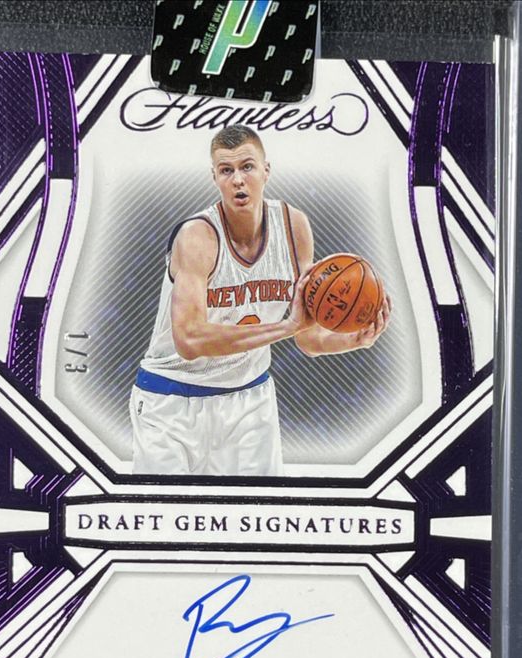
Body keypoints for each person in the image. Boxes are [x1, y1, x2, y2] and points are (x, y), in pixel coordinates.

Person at [130, 124, 391, 476]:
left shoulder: (294, 226)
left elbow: (308, 337)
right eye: (226, 170)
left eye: (247, 167)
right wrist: (286, 327)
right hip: (171, 400)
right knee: (167, 512)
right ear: (214, 177)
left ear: (266, 170)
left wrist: (354, 340)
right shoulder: (197, 237)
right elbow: (190, 340)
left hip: (249, 402)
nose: (238, 179)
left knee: (257, 511)